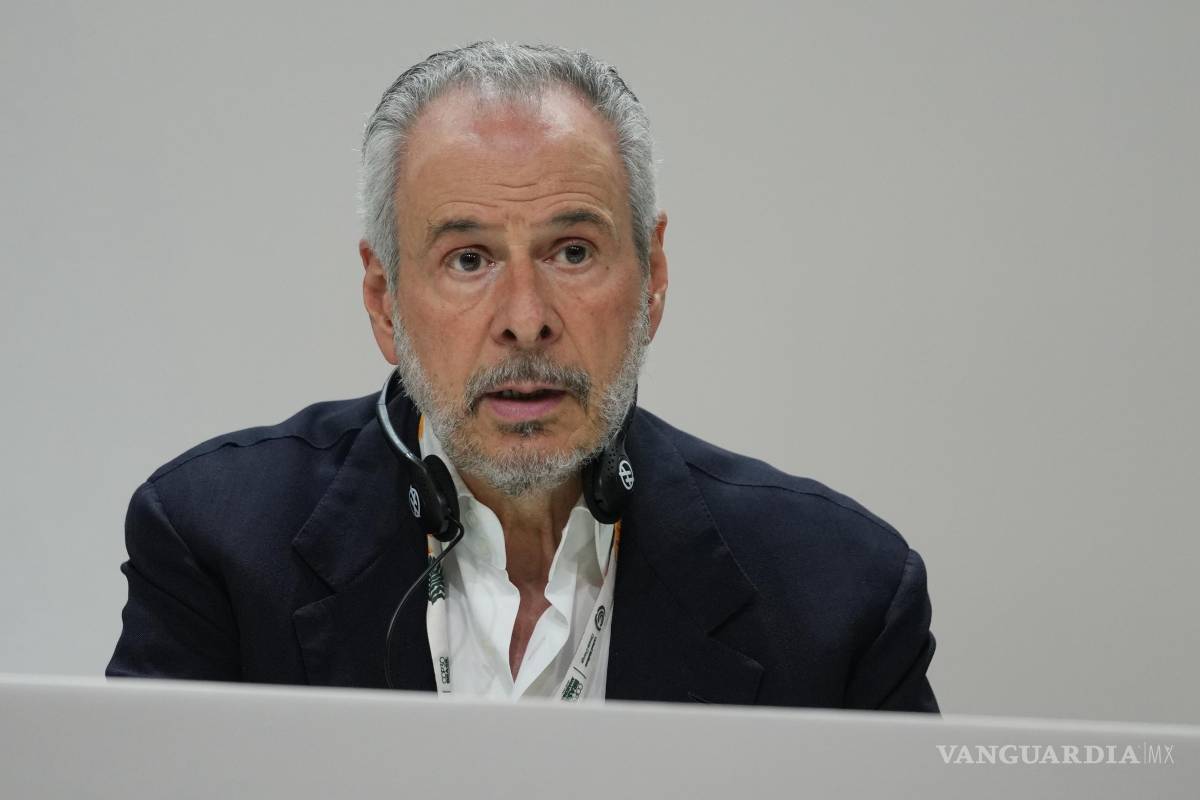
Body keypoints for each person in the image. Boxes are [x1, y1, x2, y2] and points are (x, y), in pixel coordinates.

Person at [107, 41, 938, 711]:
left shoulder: (841, 594)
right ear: (383, 300)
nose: (525, 316)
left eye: (572, 252)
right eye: (468, 259)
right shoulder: (216, 549)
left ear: (652, 282)